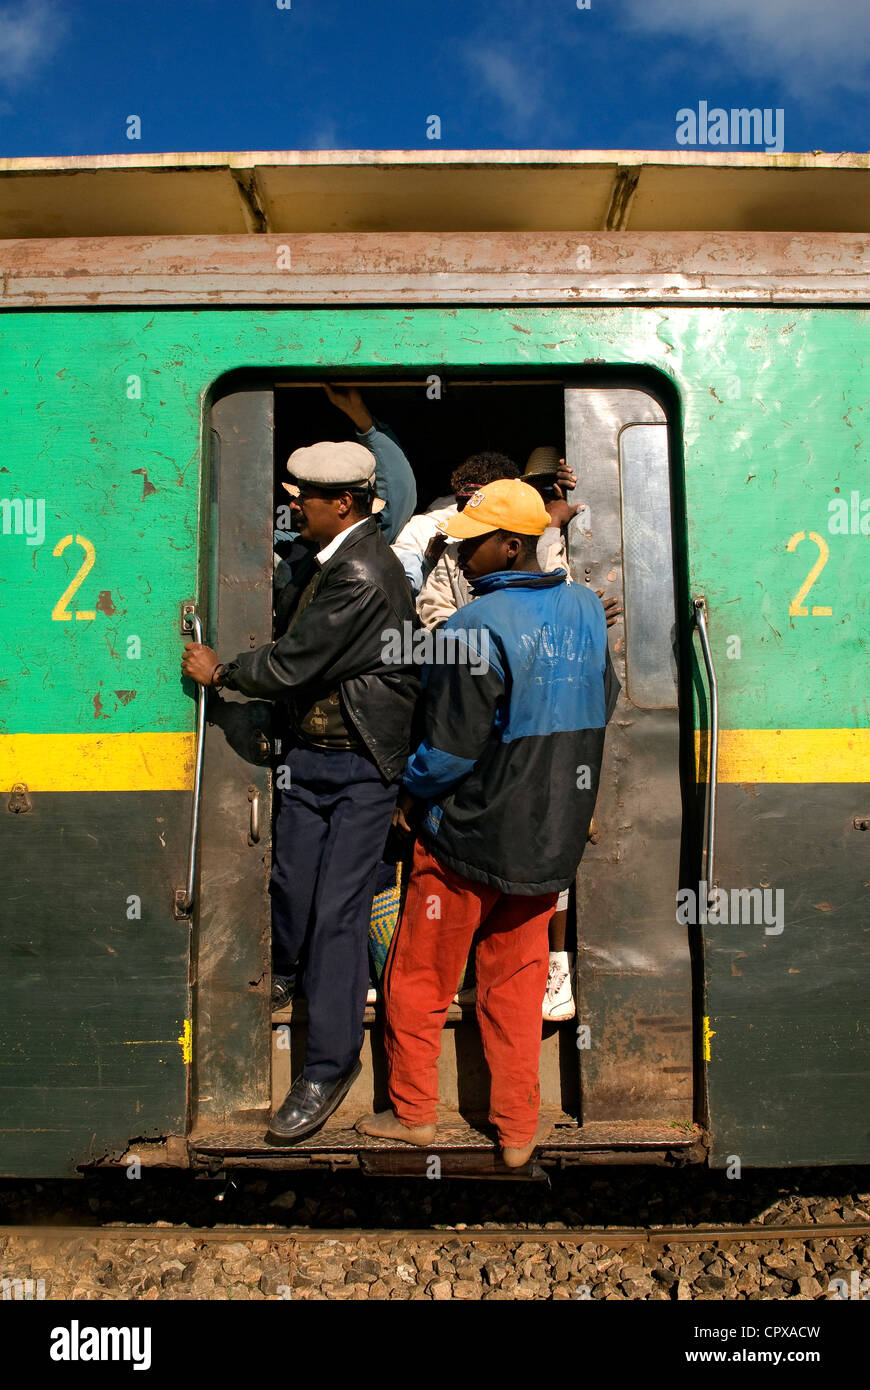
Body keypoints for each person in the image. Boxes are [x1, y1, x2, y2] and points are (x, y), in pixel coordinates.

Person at [356, 478, 619, 1167]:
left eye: (469, 545)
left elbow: (448, 748)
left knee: (419, 977)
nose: (459, 556)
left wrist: (410, 795)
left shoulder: (474, 626)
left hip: (466, 838)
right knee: (517, 984)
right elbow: (603, 701)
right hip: (547, 838)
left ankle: (413, 1115)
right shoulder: (588, 608)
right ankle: (516, 1130)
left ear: (509, 544)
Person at [182, 441, 420, 1145]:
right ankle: (288, 973)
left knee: (339, 913)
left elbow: (294, 663)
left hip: (359, 767)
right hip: (318, 757)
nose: (292, 506)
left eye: (303, 498)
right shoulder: (339, 558)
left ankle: (328, 1064)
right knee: (290, 881)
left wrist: (222, 671)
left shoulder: (361, 576)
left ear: (340, 503)